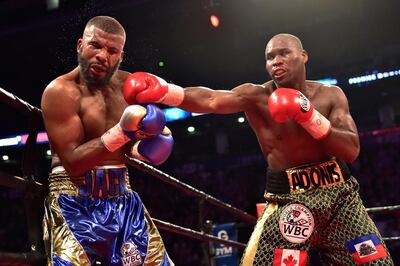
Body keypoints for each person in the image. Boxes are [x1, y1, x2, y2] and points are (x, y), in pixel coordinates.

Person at [121, 34, 394, 265]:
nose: (276, 61)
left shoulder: (331, 95)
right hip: (290, 203)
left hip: (340, 200)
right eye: (270, 56)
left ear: (304, 56)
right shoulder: (256, 97)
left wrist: (308, 115)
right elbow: (212, 99)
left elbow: (351, 149)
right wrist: (164, 91)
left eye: (284, 53)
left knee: (378, 262)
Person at [41, 16, 174, 266]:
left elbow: (192, 98)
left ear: (121, 56)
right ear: (80, 45)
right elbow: (74, 164)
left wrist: (142, 147)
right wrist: (122, 132)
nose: (103, 56)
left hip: (123, 199)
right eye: (95, 46)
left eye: (112, 50)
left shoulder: (129, 86)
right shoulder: (60, 92)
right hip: (74, 203)